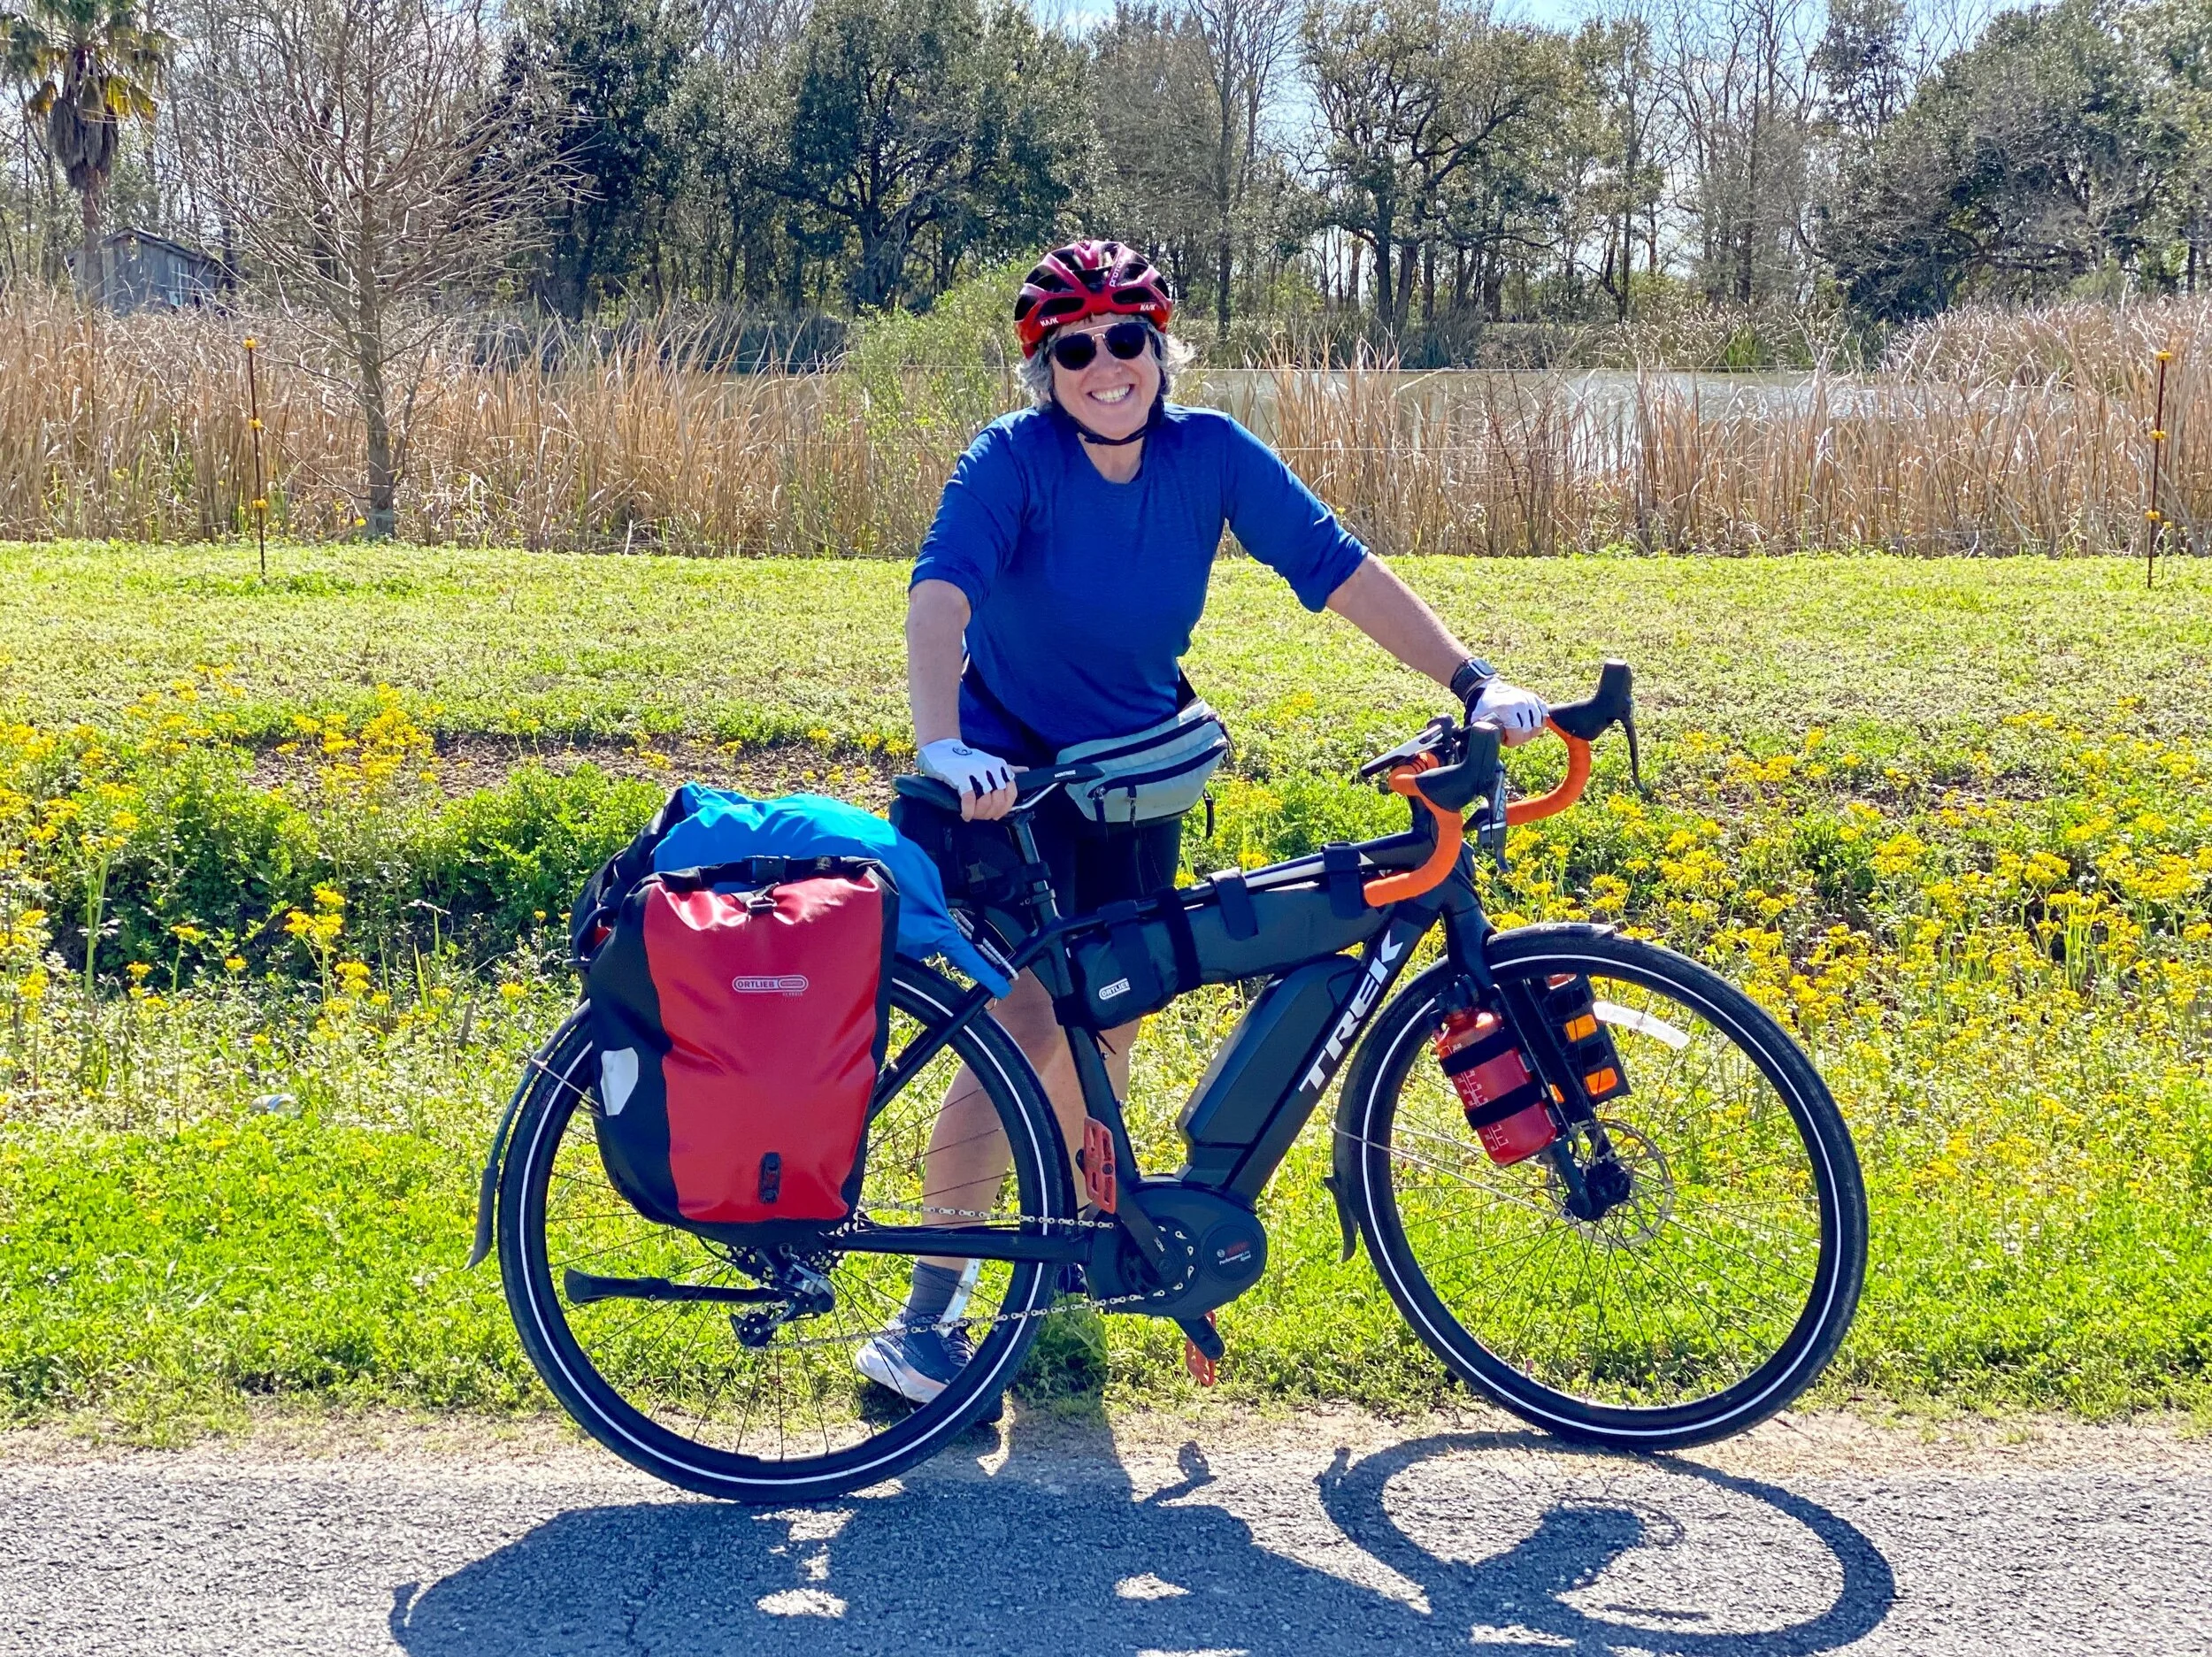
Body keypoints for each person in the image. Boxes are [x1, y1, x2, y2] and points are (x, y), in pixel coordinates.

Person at [855, 238, 1548, 1406]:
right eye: (1075, 349)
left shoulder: (1210, 454)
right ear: (1045, 367)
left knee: (1109, 1034)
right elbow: (940, 594)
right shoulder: (1011, 461)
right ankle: (929, 1321)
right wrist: (942, 745)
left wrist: (1469, 679)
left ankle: (1066, 1278)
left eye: (1128, 341)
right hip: (1007, 799)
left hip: (1129, 788)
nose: (1105, 366)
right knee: (1021, 1038)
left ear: (1160, 352)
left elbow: (1336, 569)